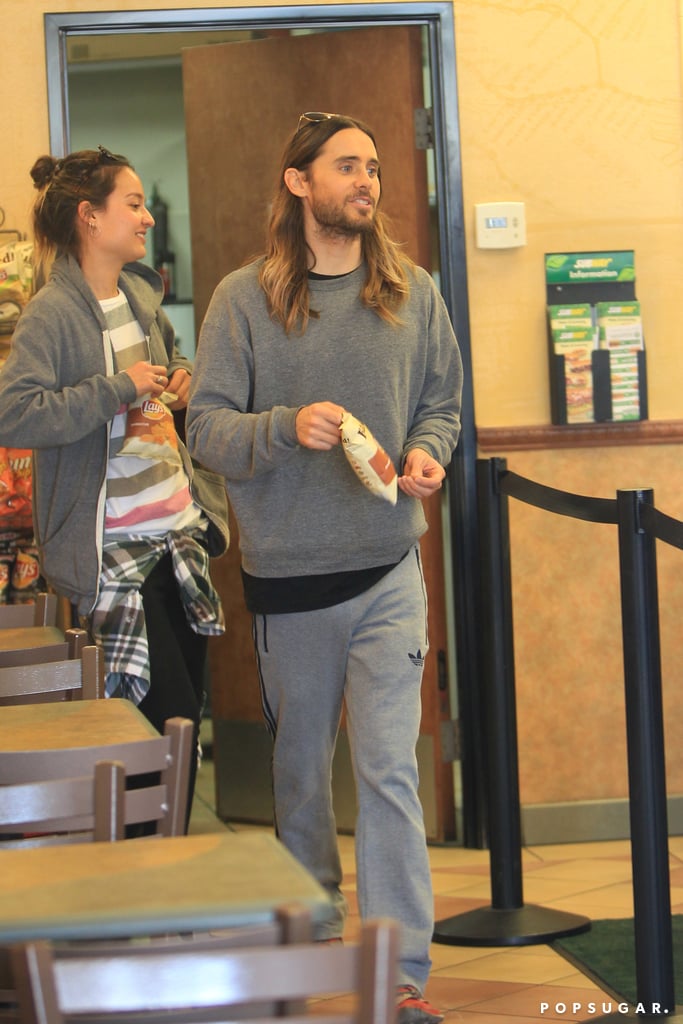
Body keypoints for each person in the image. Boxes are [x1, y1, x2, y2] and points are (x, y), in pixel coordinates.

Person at [186, 112, 463, 1023]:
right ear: (298, 181)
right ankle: (308, 952)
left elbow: (441, 404)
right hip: (290, 583)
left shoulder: (413, 292)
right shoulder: (241, 300)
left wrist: (427, 452)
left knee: (388, 773)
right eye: (349, 166)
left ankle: (399, 977)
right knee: (302, 777)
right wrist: (282, 426)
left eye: (375, 168)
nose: (368, 181)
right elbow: (208, 429)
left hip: (389, 568)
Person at [0, 147, 229, 820]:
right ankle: (143, 886)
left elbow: (167, 362)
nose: (146, 218)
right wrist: (115, 390)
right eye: (131, 204)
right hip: (115, 558)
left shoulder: (140, 294)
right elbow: (16, 412)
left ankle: (166, 878)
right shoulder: (51, 314)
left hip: (177, 541)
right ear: (88, 217)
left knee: (181, 731)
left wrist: (178, 377)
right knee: (159, 729)